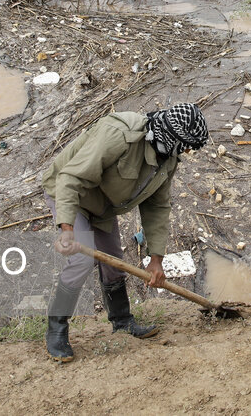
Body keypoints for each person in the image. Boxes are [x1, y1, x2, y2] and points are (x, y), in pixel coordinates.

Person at [41, 103, 209, 362]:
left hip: (103, 205)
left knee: (114, 262)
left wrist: (156, 259)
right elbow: (71, 178)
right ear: (172, 137)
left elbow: (157, 206)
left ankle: (122, 321)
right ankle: (57, 329)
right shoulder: (119, 134)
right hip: (71, 193)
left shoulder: (168, 157)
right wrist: (67, 229)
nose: (187, 151)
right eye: (185, 145)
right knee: (81, 260)